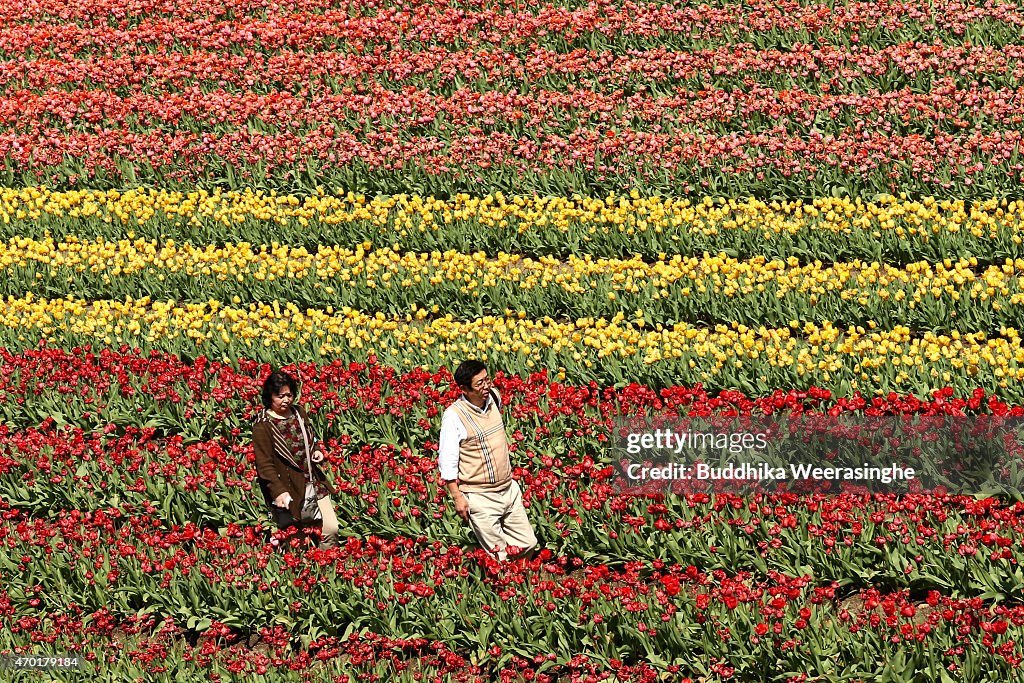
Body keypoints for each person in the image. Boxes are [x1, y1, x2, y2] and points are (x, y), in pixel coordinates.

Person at [438, 360, 538, 561]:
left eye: (487, 380)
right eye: (479, 384)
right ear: (464, 389)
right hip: (480, 496)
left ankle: (522, 579)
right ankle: (509, 587)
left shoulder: (494, 397)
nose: (486, 387)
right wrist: (457, 496)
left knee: (528, 543)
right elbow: (447, 458)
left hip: (508, 488)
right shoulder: (454, 416)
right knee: (499, 554)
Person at [252, 370, 340, 549]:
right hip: (287, 485)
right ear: (270, 396)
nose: (285, 400)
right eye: (280, 396)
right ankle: (303, 570)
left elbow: (311, 437)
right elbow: (264, 463)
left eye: (289, 395)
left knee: (331, 528)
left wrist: (316, 450)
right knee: (296, 538)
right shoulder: (263, 425)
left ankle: (329, 562)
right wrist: (278, 491)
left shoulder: (298, 412)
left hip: (313, 480)